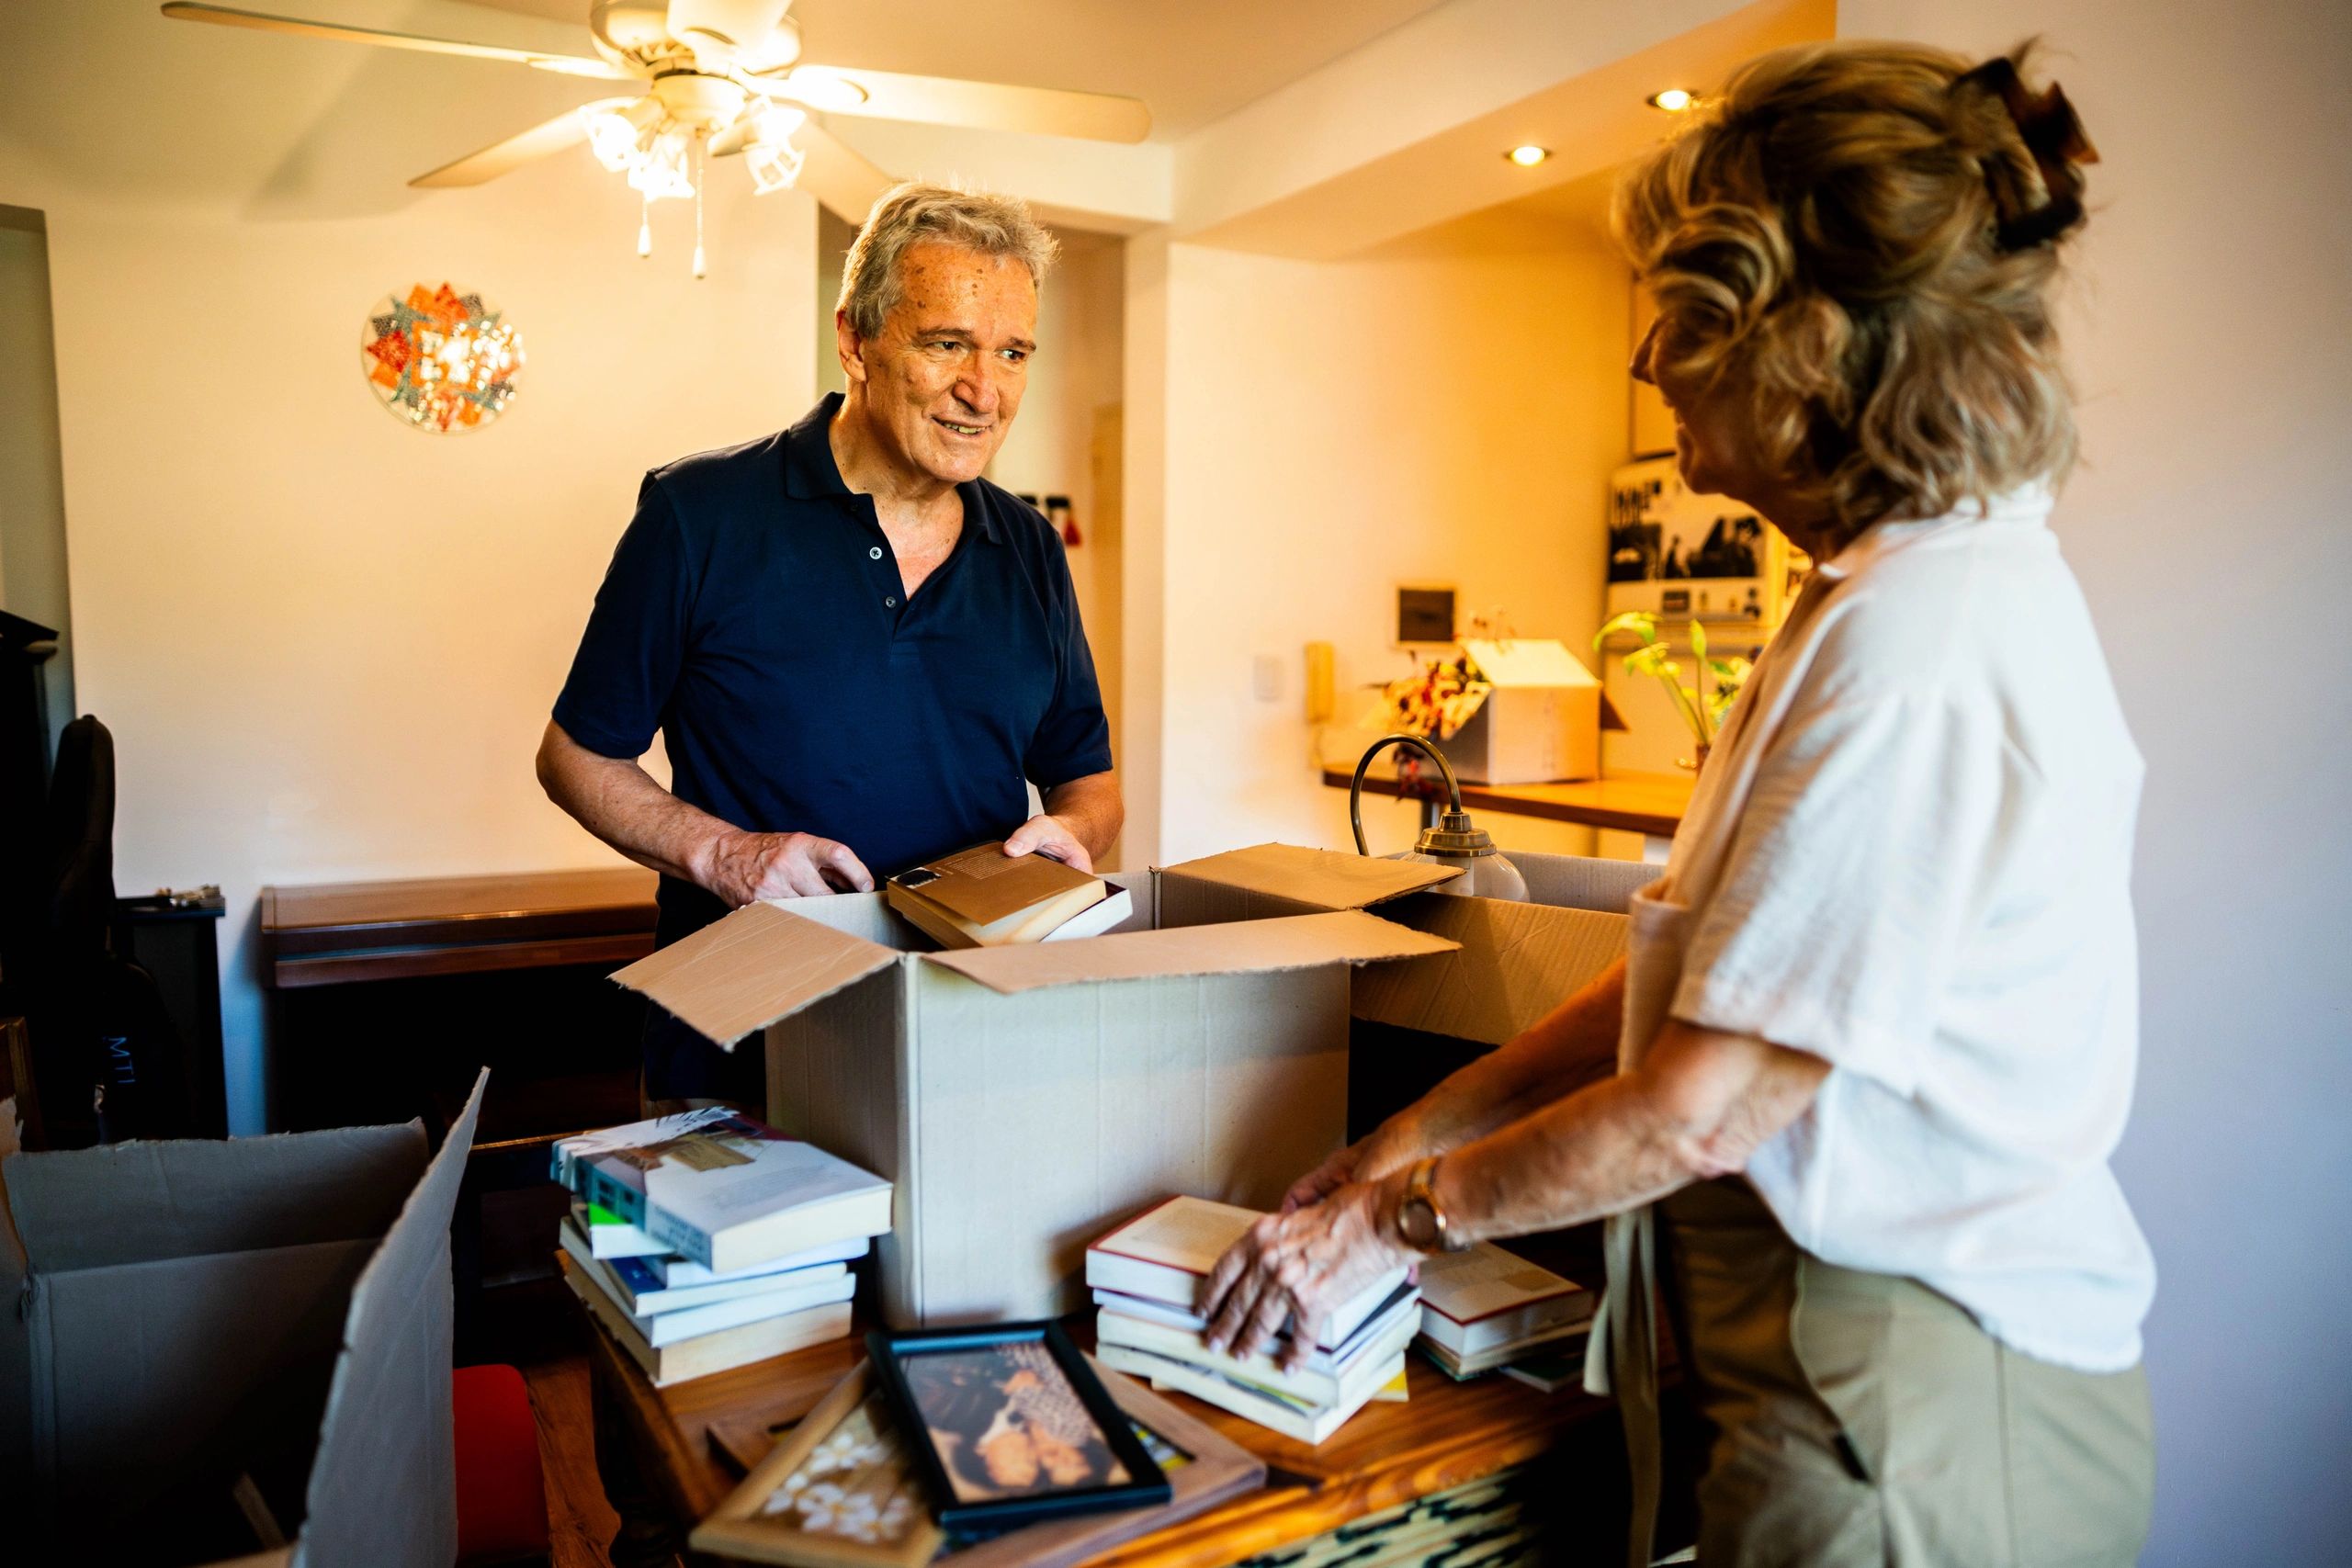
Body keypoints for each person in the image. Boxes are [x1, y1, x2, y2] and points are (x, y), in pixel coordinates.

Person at [1201, 41, 2154, 1568]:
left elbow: (1702, 1105)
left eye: (1678, 321)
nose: (1646, 367)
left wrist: (1390, 1224)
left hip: (1911, 1410)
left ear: (1806, 352)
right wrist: (1416, 1132)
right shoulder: (1867, 602)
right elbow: (1699, 964)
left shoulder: (1926, 645)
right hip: (1818, 1367)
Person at [538, 183, 1121, 1109]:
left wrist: (1074, 835)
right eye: (947, 345)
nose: (985, 390)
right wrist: (727, 856)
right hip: (736, 1056)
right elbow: (575, 755)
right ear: (856, 338)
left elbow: (1086, 783)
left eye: (1012, 353)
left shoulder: (1031, 550)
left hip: (960, 1045)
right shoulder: (699, 515)